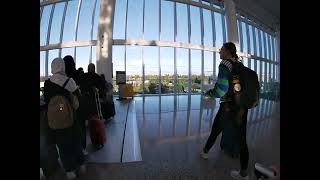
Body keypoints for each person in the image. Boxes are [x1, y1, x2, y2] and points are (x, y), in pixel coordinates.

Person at [200, 42, 250, 180]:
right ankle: (244, 173)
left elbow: (221, 90)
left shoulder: (224, 65)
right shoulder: (239, 65)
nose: (219, 52)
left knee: (216, 130)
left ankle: (205, 152)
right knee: (242, 140)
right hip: (242, 107)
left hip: (228, 107)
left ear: (228, 51)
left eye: (221, 49)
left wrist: (208, 93)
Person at [43, 58, 86, 180]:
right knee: (75, 142)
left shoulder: (47, 83)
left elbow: (47, 101)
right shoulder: (69, 81)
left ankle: (69, 171)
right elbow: (78, 99)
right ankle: (81, 165)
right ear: (63, 67)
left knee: (62, 147)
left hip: (54, 121)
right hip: (70, 119)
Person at [78, 63, 104, 150]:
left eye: (91, 67)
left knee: (93, 120)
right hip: (91, 102)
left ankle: (96, 138)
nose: (91, 69)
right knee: (94, 119)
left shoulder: (86, 76)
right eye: (90, 67)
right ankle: (97, 139)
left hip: (90, 101)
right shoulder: (95, 77)